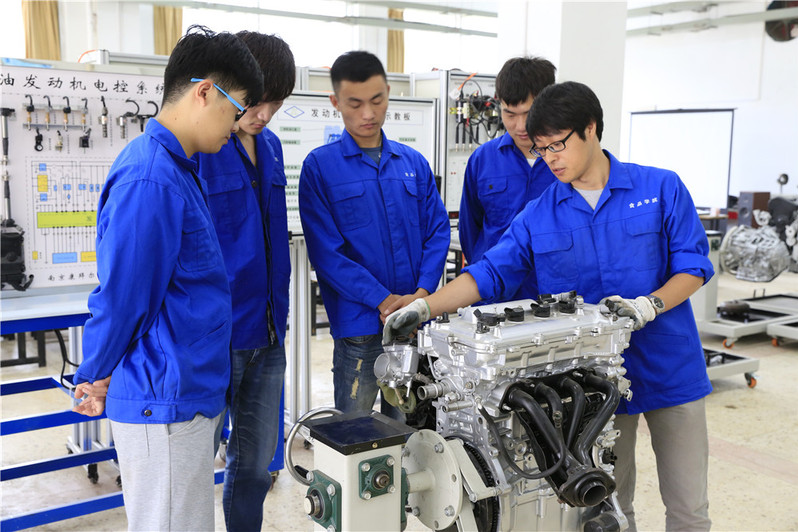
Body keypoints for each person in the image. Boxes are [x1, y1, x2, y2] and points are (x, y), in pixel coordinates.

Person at [384, 81, 713, 532]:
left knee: (688, 507)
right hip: (594, 383)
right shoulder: (542, 213)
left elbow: (693, 266)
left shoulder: (660, 188)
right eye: (542, 149)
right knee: (608, 506)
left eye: (558, 144)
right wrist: (424, 308)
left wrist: (649, 305)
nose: (550, 159)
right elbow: (489, 272)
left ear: (590, 129)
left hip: (669, 368)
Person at [71, 26, 263, 531]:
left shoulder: (179, 169)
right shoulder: (151, 177)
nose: (237, 126)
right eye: (236, 109)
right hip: (164, 400)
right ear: (205, 92)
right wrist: (94, 371)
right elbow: (125, 297)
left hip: (182, 393)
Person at [298, 51, 450, 417]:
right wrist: (382, 300)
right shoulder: (320, 168)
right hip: (360, 326)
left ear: (388, 95)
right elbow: (327, 254)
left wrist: (421, 295)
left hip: (413, 322)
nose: (368, 113)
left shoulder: (413, 163)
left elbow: (437, 231)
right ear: (336, 102)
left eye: (377, 100)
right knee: (355, 432)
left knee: (412, 428)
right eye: (355, 104)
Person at [194, 31, 294, 532]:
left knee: (256, 465)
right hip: (219, 335)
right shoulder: (203, 148)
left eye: (277, 104)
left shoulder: (272, 147)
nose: (265, 115)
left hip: (269, 332)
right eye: (257, 102)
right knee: (196, 461)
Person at [458, 57, 557, 301]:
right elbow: (470, 231)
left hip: (551, 294)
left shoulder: (567, 161)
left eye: (529, 113)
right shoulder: (482, 159)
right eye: (509, 114)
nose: (520, 126)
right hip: (493, 297)